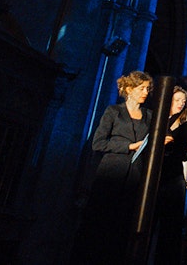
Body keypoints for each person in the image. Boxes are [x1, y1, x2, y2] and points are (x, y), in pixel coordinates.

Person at [71, 70, 153, 264]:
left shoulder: (149, 116)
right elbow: (98, 143)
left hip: (135, 175)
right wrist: (129, 146)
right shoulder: (113, 112)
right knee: (100, 222)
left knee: (124, 225)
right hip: (110, 174)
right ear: (130, 89)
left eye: (148, 89)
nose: (146, 92)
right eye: (142, 88)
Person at [153, 86, 187, 265]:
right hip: (155, 174)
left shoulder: (184, 125)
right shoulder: (155, 119)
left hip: (174, 175)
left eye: (183, 102)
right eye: (177, 100)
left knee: (171, 225)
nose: (181, 104)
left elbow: (184, 155)